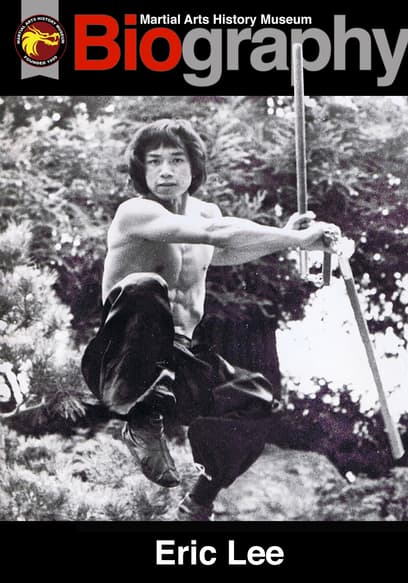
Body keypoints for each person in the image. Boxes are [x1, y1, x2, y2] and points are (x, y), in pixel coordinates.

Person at [81, 118, 340, 521]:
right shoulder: (135, 212)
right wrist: (295, 239)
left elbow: (227, 247)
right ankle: (141, 421)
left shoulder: (205, 213)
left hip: (179, 360)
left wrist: (285, 235)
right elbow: (216, 233)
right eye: (154, 162)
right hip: (122, 361)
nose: (165, 171)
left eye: (176, 160)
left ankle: (198, 501)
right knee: (146, 287)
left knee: (254, 399)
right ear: (140, 169)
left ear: (194, 166)